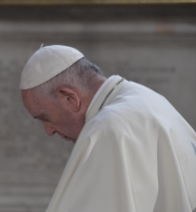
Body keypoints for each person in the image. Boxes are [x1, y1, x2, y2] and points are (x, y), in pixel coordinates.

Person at [20, 45, 196, 212]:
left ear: (69, 98)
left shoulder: (107, 129)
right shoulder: (146, 97)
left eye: (45, 118)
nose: (49, 131)